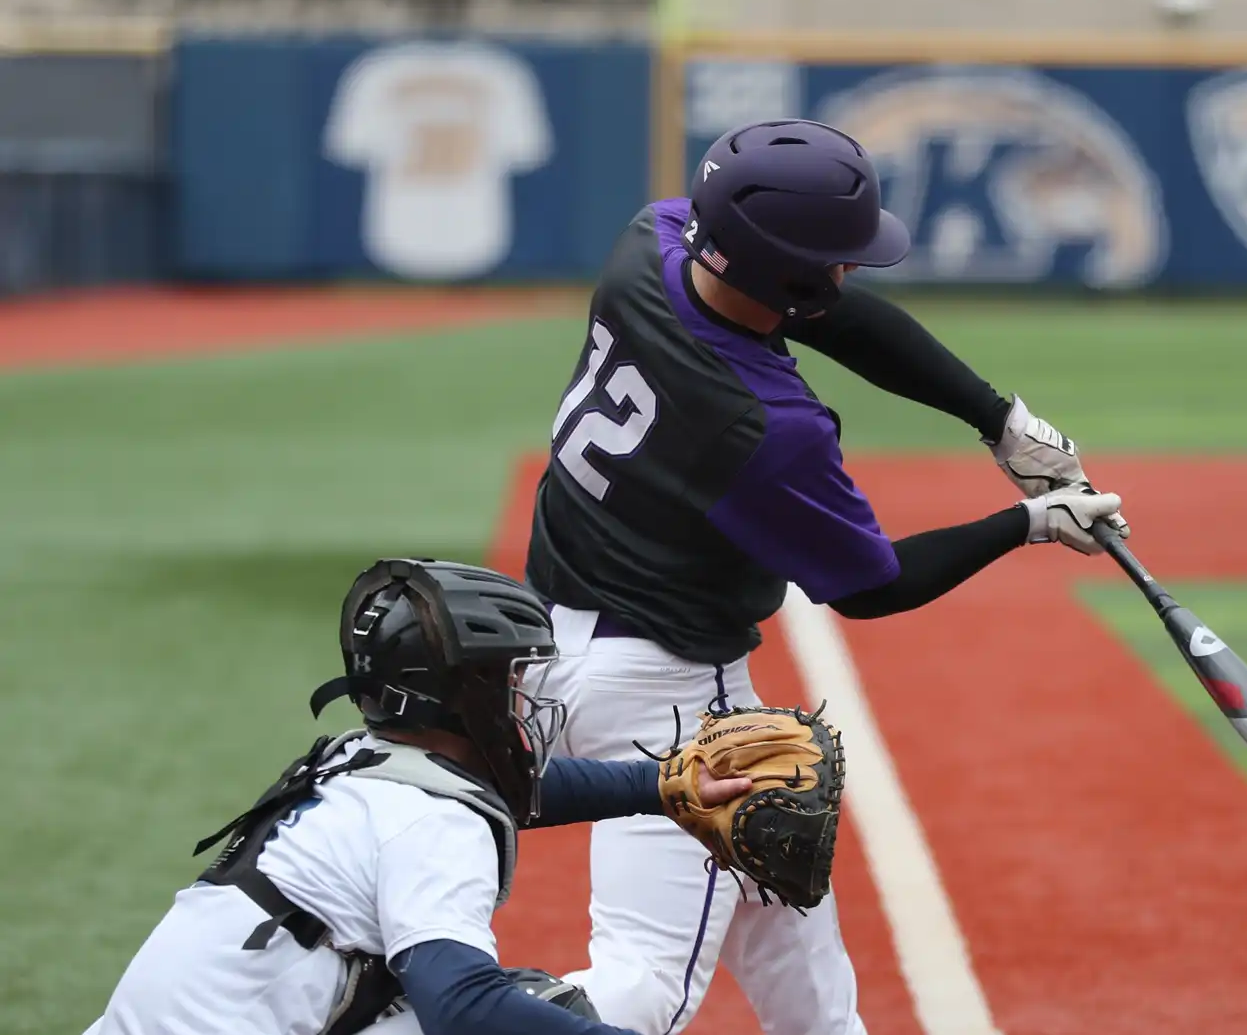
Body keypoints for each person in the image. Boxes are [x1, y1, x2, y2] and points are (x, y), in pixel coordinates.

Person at [527, 117, 1127, 1034]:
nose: (851, 271)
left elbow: (823, 307)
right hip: (666, 698)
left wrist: (996, 418)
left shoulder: (650, 242)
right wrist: (1029, 522)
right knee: (645, 985)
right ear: (789, 275)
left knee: (786, 918)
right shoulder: (765, 429)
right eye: (836, 258)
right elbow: (870, 585)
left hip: (551, 645)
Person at [83, 558, 755, 1035]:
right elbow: (458, 1004)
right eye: (505, 679)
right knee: (533, 1011)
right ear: (459, 698)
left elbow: (514, 789)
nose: (518, 697)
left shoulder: (355, 759)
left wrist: (665, 784)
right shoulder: (433, 826)